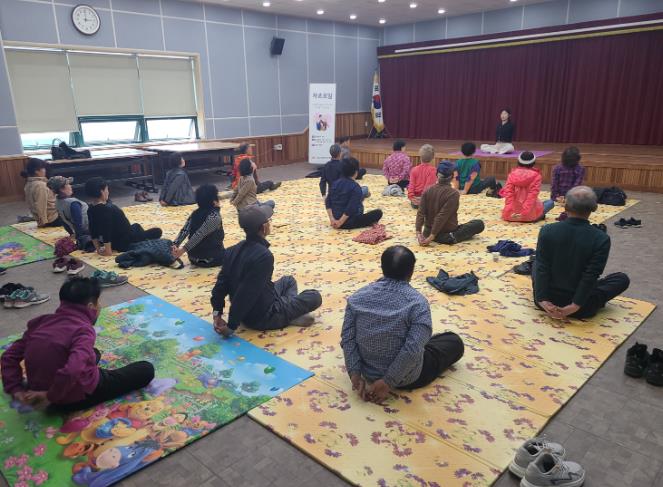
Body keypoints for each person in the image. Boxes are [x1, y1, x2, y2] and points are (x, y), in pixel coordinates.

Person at [1, 277, 154, 412]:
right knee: (146, 369)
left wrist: (16, 389)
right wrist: (50, 396)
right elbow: (72, 370)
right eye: (98, 302)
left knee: (93, 353)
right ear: (91, 306)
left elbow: (8, 356)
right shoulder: (83, 330)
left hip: (37, 390)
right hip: (71, 397)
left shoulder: (40, 322)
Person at [341, 245, 464, 403]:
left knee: (423, 340)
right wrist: (388, 382)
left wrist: (355, 374)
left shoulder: (357, 298)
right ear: (411, 271)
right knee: (452, 341)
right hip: (408, 379)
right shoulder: (417, 303)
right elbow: (413, 349)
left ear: (382, 267)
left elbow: (348, 338)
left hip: (368, 373)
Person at [211, 205, 322, 337]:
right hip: (263, 316)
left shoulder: (233, 250)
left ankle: (290, 312)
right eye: (269, 221)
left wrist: (217, 313)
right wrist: (231, 326)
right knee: (315, 296)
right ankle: (289, 315)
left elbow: (221, 284)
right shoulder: (263, 256)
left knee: (288, 280)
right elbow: (246, 293)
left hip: (257, 303)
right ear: (264, 227)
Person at [533, 186, 630, 319]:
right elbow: (591, 275)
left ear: (565, 207)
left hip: (546, 302)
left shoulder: (547, 230)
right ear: (594, 208)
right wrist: (575, 306)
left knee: (537, 263)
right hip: (582, 308)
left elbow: (542, 267)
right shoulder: (601, 238)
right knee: (621, 279)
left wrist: (542, 300)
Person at [85, 177, 162, 255]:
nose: (108, 192)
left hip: (114, 241)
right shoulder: (109, 209)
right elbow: (106, 231)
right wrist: (108, 251)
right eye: (107, 189)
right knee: (156, 231)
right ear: (102, 192)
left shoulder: (90, 209)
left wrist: (98, 249)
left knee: (135, 227)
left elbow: (92, 230)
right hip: (125, 242)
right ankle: (143, 240)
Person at [416, 161, 485, 246]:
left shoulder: (427, 190)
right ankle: (450, 237)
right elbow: (442, 216)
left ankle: (437, 235)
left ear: (437, 175)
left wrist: (419, 233)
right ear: (452, 177)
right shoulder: (453, 194)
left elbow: (420, 212)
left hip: (427, 232)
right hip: (444, 234)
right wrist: (432, 237)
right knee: (479, 224)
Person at [172, 184, 225, 268]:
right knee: (235, 252)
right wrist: (182, 251)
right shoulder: (214, 216)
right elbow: (199, 235)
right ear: (214, 200)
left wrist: (175, 244)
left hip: (193, 258)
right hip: (210, 259)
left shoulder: (195, 213)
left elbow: (185, 230)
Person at [326, 158, 383, 230]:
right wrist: (340, 222)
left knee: (360, 193)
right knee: (378, 213)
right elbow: (351, 208)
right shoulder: (355, 187)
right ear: (356, 172)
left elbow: (328, 201)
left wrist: (332, 219)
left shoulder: (334, 183)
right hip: (349, 222)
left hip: (335, 218)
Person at [500, 152, 554, 222]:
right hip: (528, 216)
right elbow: (532, 196)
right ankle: (539, 216)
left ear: (519, 162)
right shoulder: (537, 176)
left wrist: (509, 211)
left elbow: (509, 195)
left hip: (510, 215)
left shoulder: (512, 174)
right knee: (550, 202)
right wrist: (523, 213)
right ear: (533, 163)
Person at [47, 176, 93, 252]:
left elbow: (63, 220)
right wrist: (80, 238)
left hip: (80, 230)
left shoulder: (57, 202)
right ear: (62, 189)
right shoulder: (73, 203)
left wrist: (71, 233)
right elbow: (78, 223)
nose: (70, 186)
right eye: (68, 184)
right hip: (89, 230)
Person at [22, 158, 62, 228]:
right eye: (43, 168)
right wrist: (43, 222)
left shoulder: (29, 183)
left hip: (45, 218)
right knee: (76, 212)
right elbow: (40, 205)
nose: (45, 170)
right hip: (52, 219)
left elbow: (31, 204)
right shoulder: (40, 185)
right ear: (37, 171)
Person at [408, 144, 438, 209]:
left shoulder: (414, 169)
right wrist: (422, 199)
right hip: (426, 200)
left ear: (420, 156)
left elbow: (411, 185)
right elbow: (428, 187)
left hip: (415, 200)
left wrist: (411, 197)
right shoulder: (433, 170)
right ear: (433, 158)